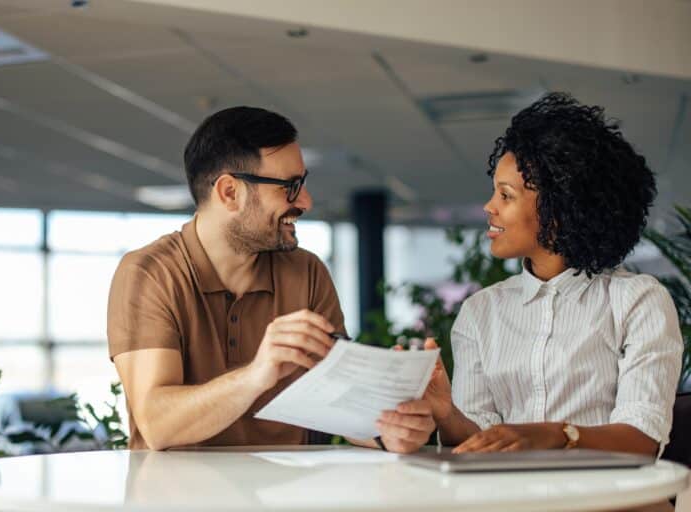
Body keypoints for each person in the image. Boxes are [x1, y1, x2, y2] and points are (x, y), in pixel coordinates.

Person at [107, 106, 434, 453]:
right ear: (230, 192)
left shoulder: (307, 272)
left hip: (292, 495)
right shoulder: (150, 273)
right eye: (290, 186)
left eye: (303, 184)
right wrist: (255, 375)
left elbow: (340, 401)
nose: (305, 201)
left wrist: (388, 431)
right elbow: (157, 425)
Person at [424, 92, 683, 456]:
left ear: (559, 210)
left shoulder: (638, 300)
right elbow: (478, 441)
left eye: (506, 195)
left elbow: (641, 439)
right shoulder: (480, 312)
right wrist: (446, 414)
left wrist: (553, 435)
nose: (489, 207)